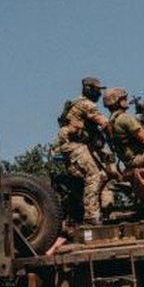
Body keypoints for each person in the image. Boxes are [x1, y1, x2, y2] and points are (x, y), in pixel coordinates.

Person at [52, 76, 115, 225]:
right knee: (93, 175)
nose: (99, 94)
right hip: (73, 145)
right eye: (97, 91)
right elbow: (105, 124)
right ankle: (91, 216)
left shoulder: (76, 102)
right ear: (89, 89)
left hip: (77, 144)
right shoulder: (87, 105)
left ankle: (103, 209)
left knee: (105, 172)